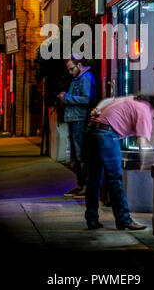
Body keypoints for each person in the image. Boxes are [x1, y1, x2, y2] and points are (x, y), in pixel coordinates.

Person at [85, 94, 154, 230]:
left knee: (94, 178)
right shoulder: (145, 110)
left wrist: (96, 108)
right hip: (106, 134)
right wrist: (144, 161)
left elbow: (107, 100)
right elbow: (142, 141)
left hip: (92, 128)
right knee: (115, 178)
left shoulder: (130, 99)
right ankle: (124, 220)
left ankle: (92, 219)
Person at [58, 54, 97, 199]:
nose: (70, 72)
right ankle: (81, 185)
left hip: (80, 119)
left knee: (81, 154)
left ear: (79, 65)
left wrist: (66, 97)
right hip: (75, 119)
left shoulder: (86, 77)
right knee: (76, 154)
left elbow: (87, 99)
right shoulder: (78, 78)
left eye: (71, 69)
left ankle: (85, 186)